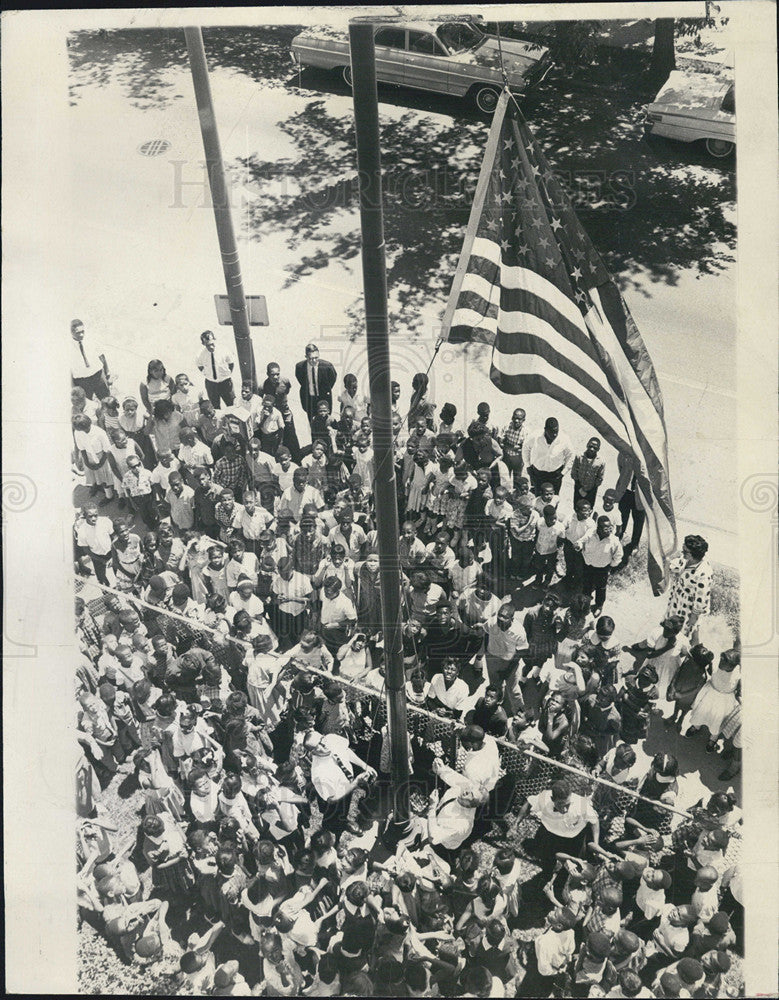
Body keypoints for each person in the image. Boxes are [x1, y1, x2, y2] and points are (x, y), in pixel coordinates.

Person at [517, 779, 600, 877]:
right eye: (560, 805)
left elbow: (594, 822)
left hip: (573, 840)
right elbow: (529, 803)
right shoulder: (544, 798)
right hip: (550, 836)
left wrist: (596, 844)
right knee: (547, 861)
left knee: (572, 869)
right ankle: (546, 876)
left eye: (567, 804)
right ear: (552, 799)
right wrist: (516, 824)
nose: (565, 809)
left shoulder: (582, 804)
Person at [685, 645, 741, 751]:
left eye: (726, 662)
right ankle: (696, 726)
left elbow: (739, 689)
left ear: (733, 666)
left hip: (724, 701)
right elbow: (711, 672)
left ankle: (713, 738)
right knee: (702, 712)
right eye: (722, 659)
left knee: (718, 719)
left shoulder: (738, 675)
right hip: (710, 694)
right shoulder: (715, 664)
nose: (721, 662)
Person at [665, 535, 713, 638]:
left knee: (682, 631)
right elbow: (678, 565)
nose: (682, 552)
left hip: (689, 607)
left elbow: (702, 597)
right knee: (670, 623)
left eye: (685, 551)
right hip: (678, 599)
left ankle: (675, 649)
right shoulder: (687, 559)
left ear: (693, 554)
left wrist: (694, 616)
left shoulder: (703, 573)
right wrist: (669, 564)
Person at [580, 516, 623, 617]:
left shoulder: (613, 540)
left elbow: (618, 555)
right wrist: (580, 547)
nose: (609, 530)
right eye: (605, 528)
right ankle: (585, 603)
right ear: (598, 528)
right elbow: (582, 541)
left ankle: (599, 605)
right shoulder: (590, 534)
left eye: (610, 527)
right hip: (588, 565)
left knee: (601, 588)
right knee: (587, 585)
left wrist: (611, 565)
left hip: (602, 569)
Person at [523, 417, 573, 497]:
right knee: (537, 497)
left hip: (555, 475)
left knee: (553, 498)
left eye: (556, 431)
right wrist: (528, 466)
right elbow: (525, 448)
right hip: (538, 474)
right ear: (545, 429)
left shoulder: (564, 439)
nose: (554, 434)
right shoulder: (535, 436)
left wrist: (563, 473)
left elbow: (570, 456)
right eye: (552, 432)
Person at [295, 342, 338, 426]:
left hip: (324, 398)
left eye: (316, 357)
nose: (314, 361)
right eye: (311, 358)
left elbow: (332, 379)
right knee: (313, 424)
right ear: (306, 357)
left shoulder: (327, 366)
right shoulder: (300, 367)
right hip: (310, 400)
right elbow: (301, 380)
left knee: (326, 425)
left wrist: (324, 390)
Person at [71, 318, 112, 399]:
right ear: (71, 332)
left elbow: (101, 356)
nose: (81, 335)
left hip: (98, 375)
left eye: (83, 331)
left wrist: (107, 372)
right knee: (86, 405)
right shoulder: (67, 347)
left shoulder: (91, 340)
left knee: (107, 401)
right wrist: (72, 386)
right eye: (78, 333)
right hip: (82, 381)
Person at [197, 329, 236, 409]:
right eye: (207, 345)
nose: (211, 347)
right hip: (211, 384)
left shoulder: (224, 350)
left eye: (212, 344)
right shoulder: (201, 354)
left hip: (225, 382)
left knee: (231, 405)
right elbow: (200, 365)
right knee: (215, 407)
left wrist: (226, 373)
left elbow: (231, 363)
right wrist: (206, 373)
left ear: (215, 340)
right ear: (203, 344)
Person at [571, 437, 605, 509]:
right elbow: (574, 472)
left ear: (598, 449)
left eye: (595, 448)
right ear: (587, 445)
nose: (592, 449)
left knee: (588, 510)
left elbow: (600, 478)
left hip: (591, 492)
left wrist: (590, 491)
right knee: (577, 508)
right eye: (590, 446)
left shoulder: (601, 462)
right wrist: (579, 488)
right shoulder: (579, 457)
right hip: (578, 488)